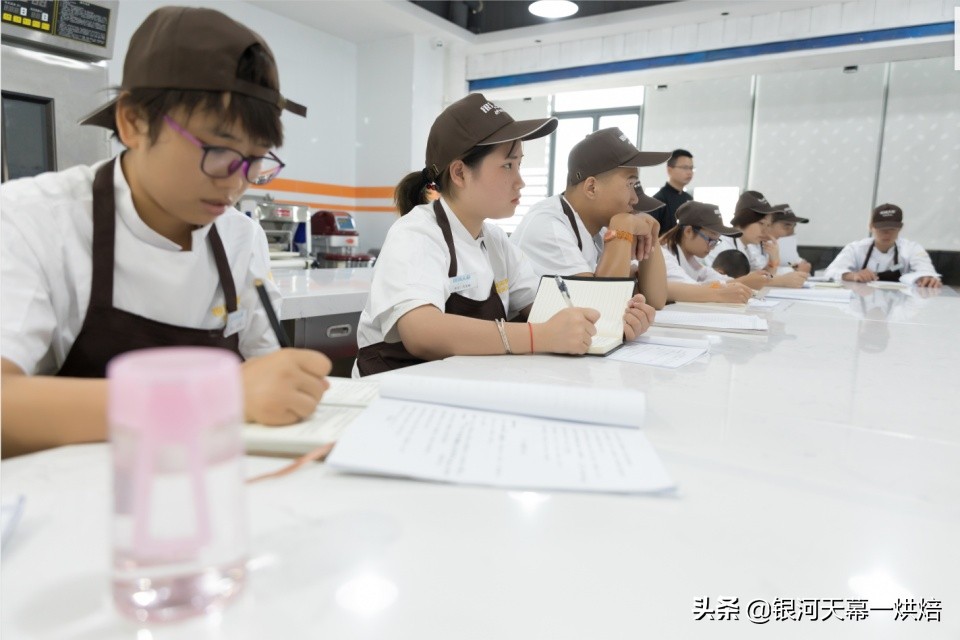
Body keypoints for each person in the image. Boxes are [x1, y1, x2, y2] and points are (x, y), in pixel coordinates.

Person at [0, 7, 332, 457]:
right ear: (133, 122)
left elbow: (268, 369)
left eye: (255, 160)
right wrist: (214, 396)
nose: (236, 184)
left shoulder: (239, 237)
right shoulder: (32, 220)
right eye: (218, 149)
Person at [354, 96, 656, 376]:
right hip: (394, 396)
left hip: (458, 386)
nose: (520, 181)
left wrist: (612, 320)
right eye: (507, 165)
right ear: (459, 173)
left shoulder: (496, 242)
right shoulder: (417, 233)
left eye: (519, 165)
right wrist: (538, 336)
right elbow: (422, 332)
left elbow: (547, 308)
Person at [510, 128, 668, 309]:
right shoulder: (549, 225)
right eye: (630, 184)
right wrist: (622, 227)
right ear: (592, 187)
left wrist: (651, 234)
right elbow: (602, 310)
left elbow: (656, 300)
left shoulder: (598, 229)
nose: (635, 199)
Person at [707, 190, 807, 289]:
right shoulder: (721, 244)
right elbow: (723, 282)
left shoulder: (749, 247)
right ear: (743, 219)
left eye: (768, 225)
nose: (765, 231)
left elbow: (763, 275)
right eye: (761, 223)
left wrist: (773, 260)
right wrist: (781, 281)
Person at [824, 204, 941, 287]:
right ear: (871, 227)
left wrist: (927, 278)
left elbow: (926, 270)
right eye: (881, 229)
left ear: (900, 228)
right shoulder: (855, 248)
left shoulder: (912, 249)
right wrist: (852, 275)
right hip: (861, 301)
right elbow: (830, 272)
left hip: (899, 303)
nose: (886, 233)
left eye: (892, 229)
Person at [658, 201, 753, 304]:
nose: (712, 247)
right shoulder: (663, 255)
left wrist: (741, 283)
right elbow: (685, 287)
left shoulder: (691, 259)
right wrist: (722, 292)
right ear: (688, 231)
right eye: (710, 240)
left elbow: (710, 277)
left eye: (716, 242)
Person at [651, 149, 695, 234]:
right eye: (685, 168)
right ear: (669, 170)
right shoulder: (658, 200)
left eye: (691, 168)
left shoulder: (689, 198)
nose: (689, 172)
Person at [769, 204, 812, 274]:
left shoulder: (785, 240)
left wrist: (798, 266)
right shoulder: (757, 246)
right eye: (787, 226)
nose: (791, 231)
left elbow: (788, 262)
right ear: (769, 225)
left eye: (793, 227)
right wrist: (794, 271)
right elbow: (766, 274)